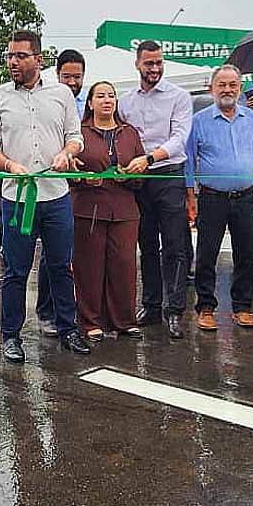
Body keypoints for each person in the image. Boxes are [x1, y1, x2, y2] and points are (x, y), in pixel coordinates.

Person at [0, 29, 90, 362]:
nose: (13, 61)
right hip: (17, 198)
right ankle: (11, 336)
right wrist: (9, 164)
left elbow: (76, 138)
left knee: (60, 267)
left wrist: (67, 153)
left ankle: (68, 328)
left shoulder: (61, 94)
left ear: (38, 59)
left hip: (56, 197)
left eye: (20, 56)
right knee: (16, 271)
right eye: (10, 56)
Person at [186, 65, 253, 330]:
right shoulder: (198, 121)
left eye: (232, 85)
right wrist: (190, 194)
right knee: (207, 255)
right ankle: (206, 308)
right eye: (221, 85)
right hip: (212, 198)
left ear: (240, 88)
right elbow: (189, 159)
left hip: (246, 197)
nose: (227, 90)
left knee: (246, 254)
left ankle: (243, 307)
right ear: (212, 89)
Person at [119, 40, 193, 339]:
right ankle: (151, 306)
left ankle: (175, 310)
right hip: (139, 181)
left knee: (175, 246)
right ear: (138, 64)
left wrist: (149, 158)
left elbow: (179, 139)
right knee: (146, 244)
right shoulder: (125, 101)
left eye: (159, 63)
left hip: (168, 175)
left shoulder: (179, 97)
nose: (155, 69)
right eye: (149, 63)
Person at [70, 81, 146, 339]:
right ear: (90, 103)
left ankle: (124, 320)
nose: (107, 100)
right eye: (100, 96)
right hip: (88, 208)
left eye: (111, 96)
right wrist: (82, 178)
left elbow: (142, 174)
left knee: (124, 264)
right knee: (88, 267)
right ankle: (90, 321)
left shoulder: (129, 133)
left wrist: (132, 174)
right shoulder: (79, 133)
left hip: (124, 209)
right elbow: (69, 171)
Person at [34, 49, 88, 335]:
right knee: (52, 257)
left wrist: (76, 155)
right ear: (57, 74)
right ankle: (46, 310)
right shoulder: (48, 98)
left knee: (69, 257)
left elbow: (79, 138)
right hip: (54, 188)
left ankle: (78, 314)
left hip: (83, 188)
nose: (72, 81)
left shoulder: (88, 103)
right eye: (67, 76)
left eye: (77, 77)